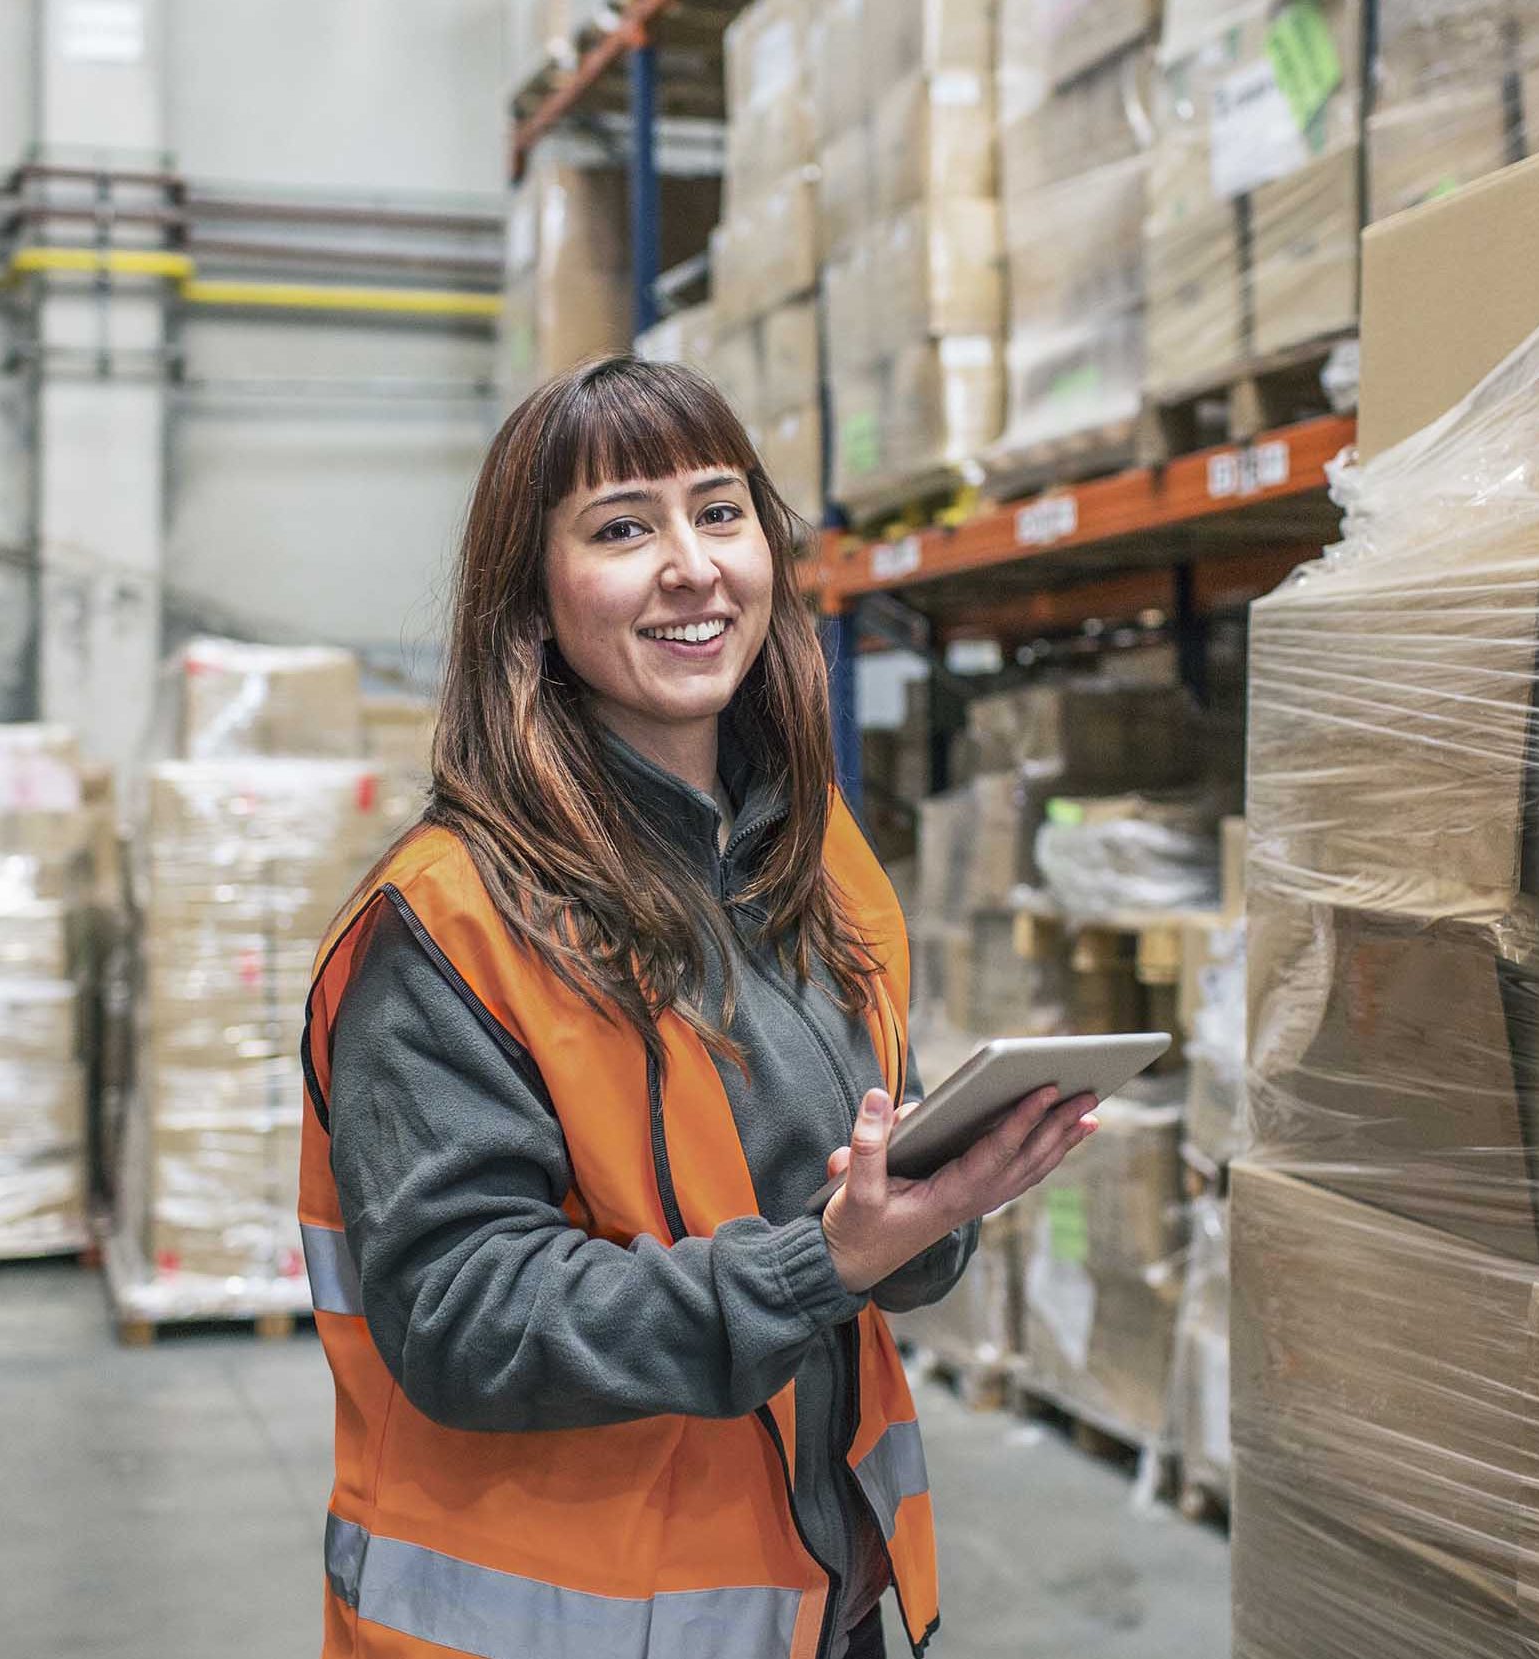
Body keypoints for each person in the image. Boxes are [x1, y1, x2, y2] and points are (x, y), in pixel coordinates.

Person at [296, 355, 1099, 1659]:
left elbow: (847, 1209)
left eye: (719, 513)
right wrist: (822, 1261)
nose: (692, 566)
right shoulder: (444, 924)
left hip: (811, 1606)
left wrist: (941, 1200)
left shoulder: (818, 859)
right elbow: (462, 1315)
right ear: (534, 597)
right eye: (623, 529)